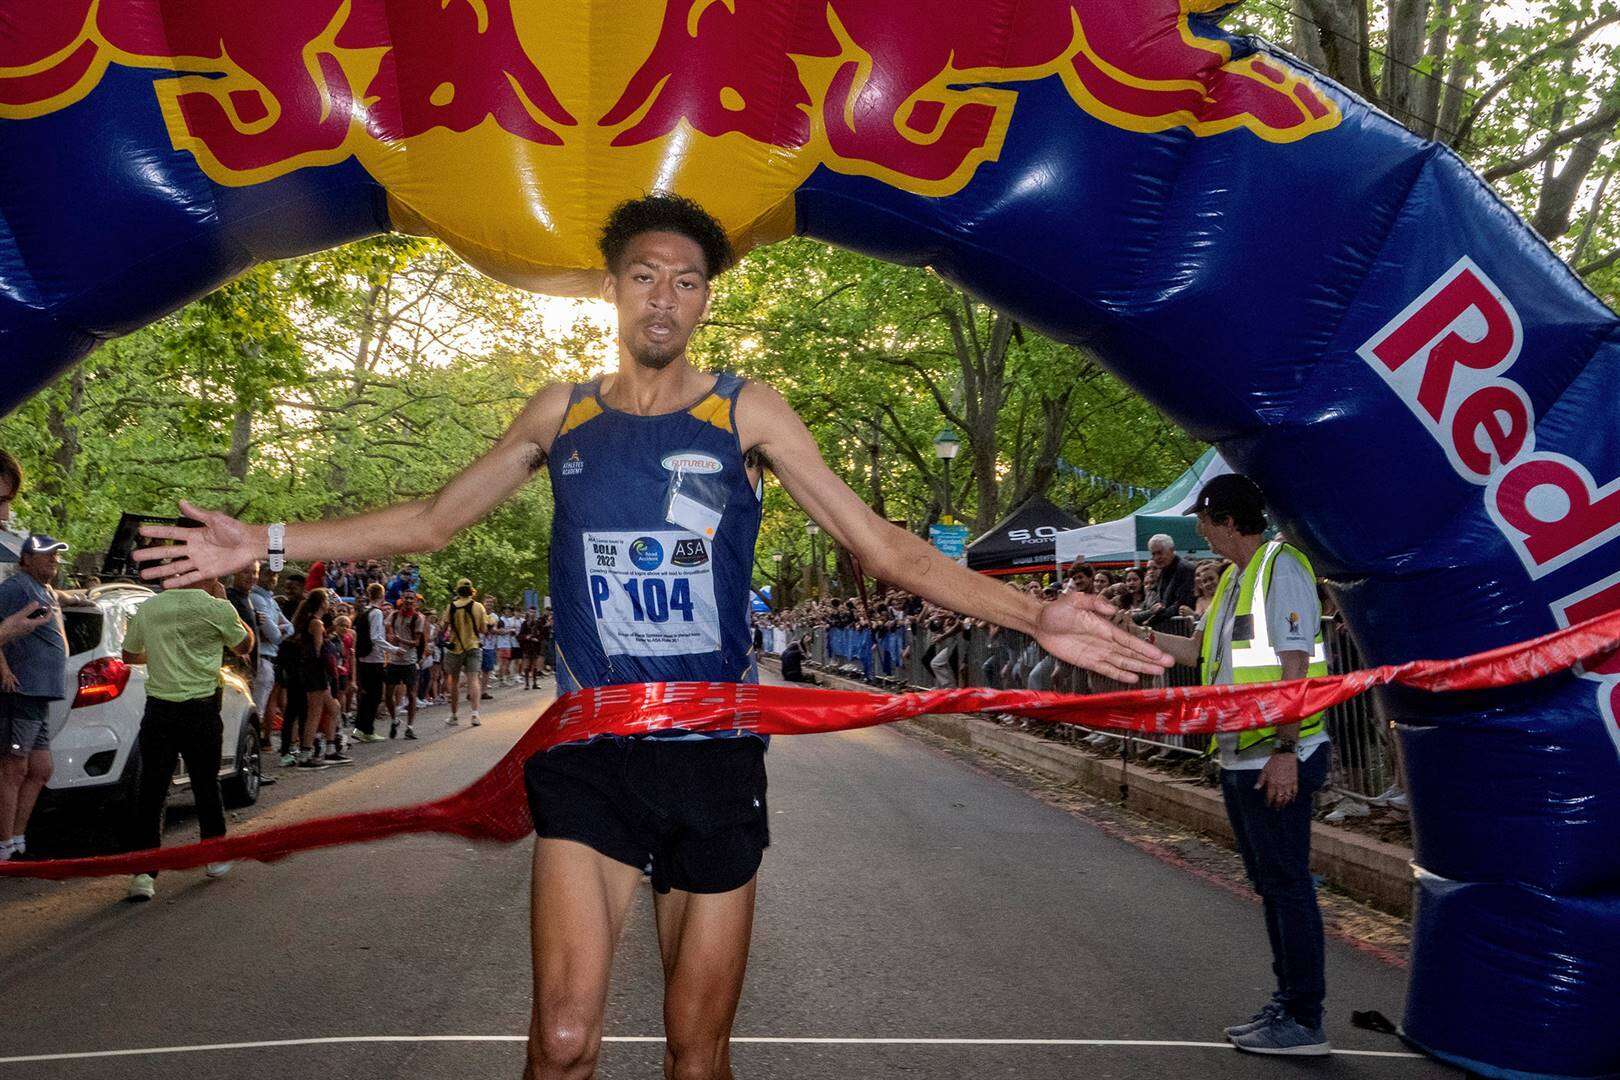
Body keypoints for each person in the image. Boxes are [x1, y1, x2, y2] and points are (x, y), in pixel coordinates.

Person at [132, 193, 1168, 1080]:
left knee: (694, 1052)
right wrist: (263, 537)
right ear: (613, 292)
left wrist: (1040, 616)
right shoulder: (560, 412)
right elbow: (432, 520)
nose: (664, 294)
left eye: (685, 279)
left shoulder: (745, 412)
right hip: (590, 753)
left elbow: (884, 547)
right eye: (643, 275)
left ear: (706, 299)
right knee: (566, 1039)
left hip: (715, 755)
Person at [1117, 473, 1331, 1056]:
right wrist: (1132, 634)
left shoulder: (1280, 567)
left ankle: (1303, 1017)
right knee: (1272, 884)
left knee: (1287, 886)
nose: (1201, 534)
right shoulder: (1237, 578)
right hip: (1242, 757)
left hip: (1276, 757)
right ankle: (1287, 1005)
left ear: (1227, 521)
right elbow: (1197, 654)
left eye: (1205, 523)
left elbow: (1294, 669)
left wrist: (1287, 752)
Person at [120, 572, 254, 900]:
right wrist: (224, 603)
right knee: (206, 783)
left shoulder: (150, 608)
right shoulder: (217, 608)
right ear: (209, 579)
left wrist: (162, 655)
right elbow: (244, 645)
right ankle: (213, 853)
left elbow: (128, 655)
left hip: (160, 710)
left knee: (152, 790)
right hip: (201, 709)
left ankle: (143, 874)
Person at [0, 534, 69, 862]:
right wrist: (2, 668)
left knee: (41, 768)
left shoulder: (45, 590)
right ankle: (3, 845)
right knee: (13, 769)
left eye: (56, 555)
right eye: (46, 555)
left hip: (41, 695)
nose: (53, 560)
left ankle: (17, 837)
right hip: (22, 692)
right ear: (26, 559)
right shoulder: (17, 587)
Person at [441, 580, 488, 726]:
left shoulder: (451, 607)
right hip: (473, 646)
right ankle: (475, 715)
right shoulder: (478, 606)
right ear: (471, 591)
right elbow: (483, 630)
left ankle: (454, 715)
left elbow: (443, 628)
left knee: (454, 681)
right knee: (473, 680)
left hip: (455, 648)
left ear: (458, 591)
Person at [384, 590, 427, 739]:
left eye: (411, 599)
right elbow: (387, 628)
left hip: (409, 660)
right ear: (401, 599)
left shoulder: (418, 618)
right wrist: (390, 637)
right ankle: (395, 720)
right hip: (394, 660)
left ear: (415, 601)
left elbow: (416, 642)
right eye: (406, 598)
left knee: (412, 693)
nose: (408, 601)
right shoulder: (394, 615)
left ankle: (410, 727)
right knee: (388, 694)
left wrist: (399, 640)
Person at [352, 582, 390, 742]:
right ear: (382, 595)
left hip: (362, 658)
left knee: (366, 694)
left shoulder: (363, 612)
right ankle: (367, 729)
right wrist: (393, 649)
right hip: (374, 658)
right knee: (374, 695)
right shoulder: (377, 613)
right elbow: (376, 637)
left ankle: (359, 728)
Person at [1135, 534, 1197, 631]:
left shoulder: (1185, 569)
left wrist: (1153, 619)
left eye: (1159, 553)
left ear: (1171, 550)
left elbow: (1182, 603)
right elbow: (1162, 602)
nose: (1156, 557)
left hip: (1182, 630)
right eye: (1153, 554)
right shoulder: (1165, 569)